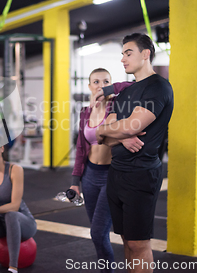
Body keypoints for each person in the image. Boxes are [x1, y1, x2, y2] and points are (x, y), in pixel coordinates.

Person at [95, 33, 174, 273]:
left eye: (128, 53)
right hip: (117, 173)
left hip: (141, 174)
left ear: (145, 54)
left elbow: (130, 126)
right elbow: (101, 137)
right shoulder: (125, 93)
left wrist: (117, 130)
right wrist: (119, 133)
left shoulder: (157, 87)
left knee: (139, 243)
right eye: (122, 54)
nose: (122, 59)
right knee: (126, 241)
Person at [69, 68, 138, 273]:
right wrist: (75, 181)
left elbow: (136, 86)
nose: (100, 85)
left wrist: (113, 88)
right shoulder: (85, 112)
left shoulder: (118, 105)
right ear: (89, 86)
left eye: (105, 81)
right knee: (98, 235)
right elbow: (81, 148)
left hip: (111, 175)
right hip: (90, 176)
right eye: (96, 82)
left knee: (98, 233)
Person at [0, 146, 37, 273]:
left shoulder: (15, 169)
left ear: (1, 148)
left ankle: (13, 267)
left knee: (11, 215)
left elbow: (14, 206)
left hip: (23, 224)